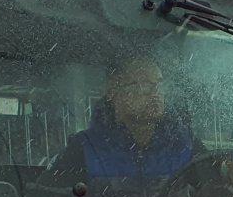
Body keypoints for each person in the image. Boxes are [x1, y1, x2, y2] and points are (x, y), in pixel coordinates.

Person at [71, 55, 194, 183]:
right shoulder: (83, 150)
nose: (156, 92)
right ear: (114, 92)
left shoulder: (185, 144)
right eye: (144, 85)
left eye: (160, 84)